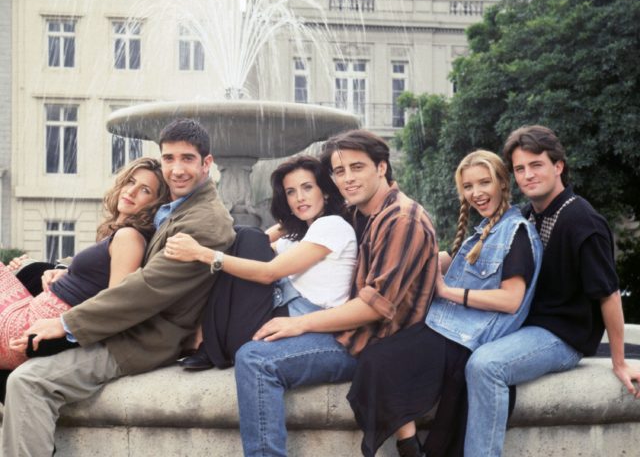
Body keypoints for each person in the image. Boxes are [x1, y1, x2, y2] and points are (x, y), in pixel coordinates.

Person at [2, 118, 235, 457]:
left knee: (28, 381)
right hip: (127, 327)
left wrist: (64, 324)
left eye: (187, 158)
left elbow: (144, 288)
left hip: (142, 340)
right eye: (169, 158)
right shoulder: (180, 208)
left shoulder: (204, 221)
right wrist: (61, 271)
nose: (176, 169)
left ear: (207, 163)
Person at [233, 129, 439, 457]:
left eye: (357, 167)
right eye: (339, 171)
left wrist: (298, 325)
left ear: (382, 167)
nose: (347, 179)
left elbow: (375, 308)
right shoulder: (362, 212)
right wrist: (277, 229)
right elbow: (314, 217)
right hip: (352, 333)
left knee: (256, 360)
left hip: (369, 343)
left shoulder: (402, 219)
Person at [347, 150, 543, 457]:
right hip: (446, 328)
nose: (476, 193)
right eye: (468, 187)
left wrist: (446, 292)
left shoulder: (516, 233)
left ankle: (409, 447)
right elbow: (449, 262)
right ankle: (412, 445)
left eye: (484, 183)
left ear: (503, 184)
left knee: (378, 359)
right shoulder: (482, 231)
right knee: (377, 346)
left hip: (463, 340)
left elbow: (511, 300)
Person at [464, 125, 640, 457]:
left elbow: (609, 294)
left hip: (562, 335)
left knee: (485, 365)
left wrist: (619, 360)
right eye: (519, 169)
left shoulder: (582, 220)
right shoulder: (528, 215)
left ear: (558, 166)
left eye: (536, 165)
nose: (527, 175)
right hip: (527, 327)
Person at [164, 155, 358, 370]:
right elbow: (255, 248)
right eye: (290, 192)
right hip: (267, 325)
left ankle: (208, 345)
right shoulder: (300, 237)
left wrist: (203, 254)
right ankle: (208, 343)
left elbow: (268, 272)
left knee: (245, 235)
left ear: (326, 191)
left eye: (307, 188)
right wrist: (288, 223)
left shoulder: (332, 226)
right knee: (240, 238)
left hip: (295, 326)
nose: (299, 198)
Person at [0, 157, 170, 369]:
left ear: (156, 205)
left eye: (145, 190)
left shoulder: (129, 237)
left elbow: (116, 303)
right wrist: (64, 272)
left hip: (28, 327)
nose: (132, 191)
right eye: (130, 181)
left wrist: (60, 333)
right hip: (30, 320)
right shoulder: (117, 234)